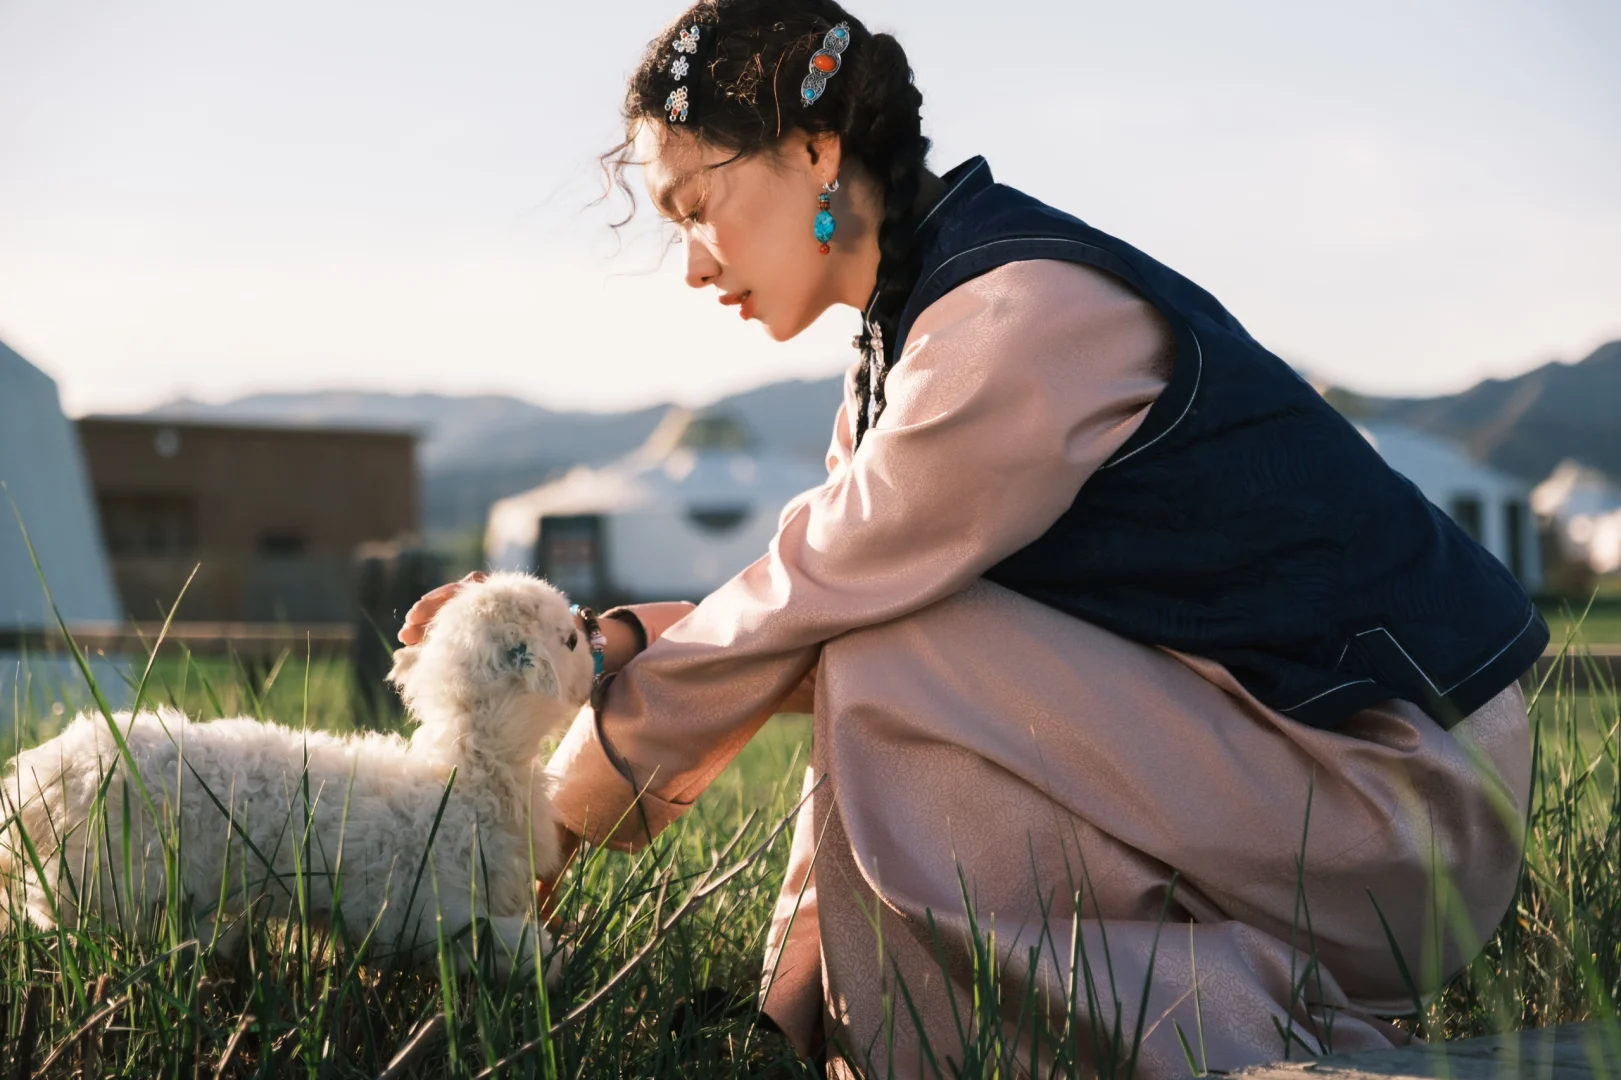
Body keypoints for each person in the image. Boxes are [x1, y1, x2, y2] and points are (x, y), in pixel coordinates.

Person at [399, 2, 1542, 1075]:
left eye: (697, 209)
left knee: (881, 646)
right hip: (1281, 757)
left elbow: (814, 599)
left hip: (1402, 796)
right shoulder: (908, 341)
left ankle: (1227, 1026)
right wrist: (585, 648)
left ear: (814, 151)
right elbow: (818, 596)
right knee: (876, 638)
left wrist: (549, 818)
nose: (693, 262)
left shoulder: (1013, 318)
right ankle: (892, 1029)